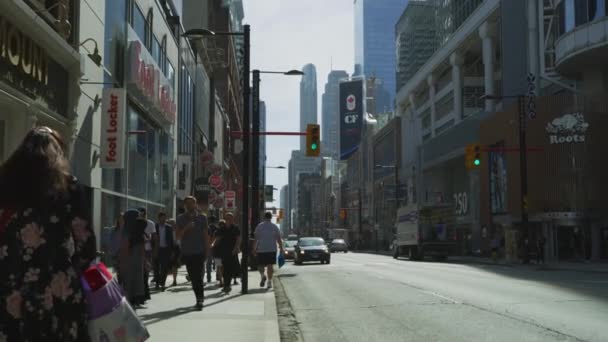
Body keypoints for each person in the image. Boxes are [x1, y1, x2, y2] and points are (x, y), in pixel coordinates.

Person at [0, 126, 97, 340]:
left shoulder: (4, 183)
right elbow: (86, 244)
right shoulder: (67, 185)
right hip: (57, 287)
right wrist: (70, 271)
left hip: (11, 286)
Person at [176, 196, 210, 310]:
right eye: (188, 204)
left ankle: (200, 299)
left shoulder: (202, 217)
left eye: (192, 203)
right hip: (188, 252)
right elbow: (178, 236)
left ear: (196, 204)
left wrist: (207, 251)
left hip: (199, 251)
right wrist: (186, 228)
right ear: (185, 206)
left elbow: (205, 235)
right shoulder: (180, 218)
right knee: (193, 277)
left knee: (198, 276)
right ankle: (199, 297)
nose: (190, 205)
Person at [120, 209, 147, 307]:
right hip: (136, 258)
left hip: (130, 258)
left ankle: (130, 299)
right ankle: (136, 299)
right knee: (136, 278)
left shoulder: (127, 230)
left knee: (130, 278)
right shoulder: (138, 230)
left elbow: (125, 247)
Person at [253, 212, 284, 289]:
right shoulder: (274, 227)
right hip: (272, 249)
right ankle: (269, 282)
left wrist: (254, 249)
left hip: (261, 249)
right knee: (270, 266)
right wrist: (281, 249)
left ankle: (263, 275)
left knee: (260, 265)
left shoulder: (259, 226)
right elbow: (279, 239)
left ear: (264, 217)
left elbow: (256, 239)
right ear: (271, 218)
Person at [213, 214, 241, 293]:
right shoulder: (222, 228)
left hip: (232, 251)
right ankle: (226, 285)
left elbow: (238, 239)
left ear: (233, 219)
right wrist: (213, 246)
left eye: (230, 218)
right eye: (227, 218)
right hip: (223, 251)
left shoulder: (235, 228)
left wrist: (236, 248)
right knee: (224, 268)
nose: (228, 220)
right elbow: (217, 239)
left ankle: (227, 285)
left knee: (231, 268)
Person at [154, 212, 174, 291]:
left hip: (166, 250)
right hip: (157, 249)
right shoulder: (155, 227)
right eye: (162, 218)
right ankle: (157, 283)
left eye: (165, 218)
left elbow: (171, 240)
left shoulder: (169, 227)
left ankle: (162, 283)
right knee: (156, 267)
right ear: (159, 218)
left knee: (164, 268)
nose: (164, 219)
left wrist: (172, 251)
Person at [138, 207, 155, 300]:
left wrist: (155, 250)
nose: (142, 216)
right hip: (137, 250)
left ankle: (146, 293)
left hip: (147, 250)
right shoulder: (135, 223)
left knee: (146, 272)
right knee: (139, 273)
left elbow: (153, 237)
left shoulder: (150, 223)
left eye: (144, 214)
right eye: (141, 214)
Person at [167, 218, 180, 287]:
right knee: (171, 266)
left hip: (175, 249)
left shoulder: (176, 231)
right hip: (168, 249)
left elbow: (178, 241)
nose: (170, 225)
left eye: (171, 223)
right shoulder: (168, 231)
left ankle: (174, 280)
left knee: (174, 266)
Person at [206, 216, 218, 283]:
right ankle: (217, 276)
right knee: (217, 262)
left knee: (208, 262)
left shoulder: (208, 228)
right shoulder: (217, 228)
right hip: (216, 247)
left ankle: (208, 277)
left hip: (209, 246)